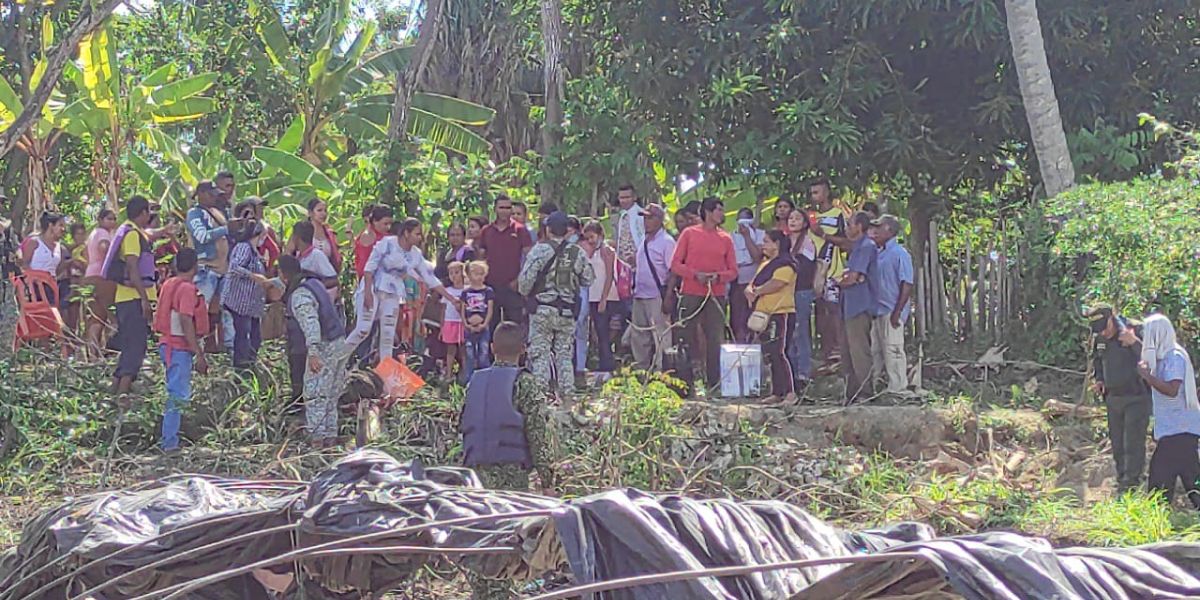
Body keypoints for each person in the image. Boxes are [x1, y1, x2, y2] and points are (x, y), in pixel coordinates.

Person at [460, 320, 553, 599]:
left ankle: (481, 593)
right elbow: (539, 433)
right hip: (511, 475)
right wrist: (548, 481)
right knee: (507, 540)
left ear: (491, 348)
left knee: (480, 535)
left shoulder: (474, 382)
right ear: (523, 350)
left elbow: (463, 426)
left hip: (474, 473)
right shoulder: (525, 383)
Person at [347, 218, 457, 363]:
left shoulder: (415, 254)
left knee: (387, 335)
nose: (420, 238)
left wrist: (452, 299)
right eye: (417, 234)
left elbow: (430, 279)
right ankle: (338, 358)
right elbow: (369, 269)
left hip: (392, 292)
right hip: (373, 288)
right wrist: (367, 293)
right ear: (406, 233)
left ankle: (385, 375)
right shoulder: (387, 244)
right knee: (363, 329)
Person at [1123, 314, 1200, 509]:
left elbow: (1172, 390)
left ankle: (1156, 516)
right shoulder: (1165, 356)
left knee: (1160, 479)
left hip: (1179, 429)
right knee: (1190, 478)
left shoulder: (1173, 356)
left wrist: (1147, 376)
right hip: (1177, 430)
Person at [518, 211, 593, 396]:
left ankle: (540, 396)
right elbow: (588, 279)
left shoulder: (539, 250)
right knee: (564, 354)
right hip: (567, 311)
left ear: (548, 229)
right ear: (567, 229)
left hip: (542, 310)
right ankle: (568, 398)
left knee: (540, 353)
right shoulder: (577, 253)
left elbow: (524, 284)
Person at [280, 255, 351, 448]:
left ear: (283, 276)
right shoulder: (315, 283)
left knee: (316, 394)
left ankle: (317, 443)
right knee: (331, 395)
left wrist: (313, 351)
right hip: (339, 342)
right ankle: (330, 438)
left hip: (324, 346)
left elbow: (311, 324)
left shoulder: (300, 295)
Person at [670, 197, 737, 394]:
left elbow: (733, 271)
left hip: (715, 293)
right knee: (685, 336)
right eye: (718, 210)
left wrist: (718, 277)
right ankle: (686, 383)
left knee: (715, 338)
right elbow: (675, 264)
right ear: (707, 212)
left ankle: (714, 384)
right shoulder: (689, 234)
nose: (722, 214)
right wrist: (694, 274)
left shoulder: (726, 238)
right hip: (690, 292)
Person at [1086, 305, 1151, 492]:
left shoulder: (1135, 330)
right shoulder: (1099, 337)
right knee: (1117, 442)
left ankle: (1132, 482)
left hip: (1136, 396)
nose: (1103, 333)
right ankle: (1122, 478)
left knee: (1133, 442)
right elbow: (1098, 360)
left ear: (1112, 318)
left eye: (1104, 327)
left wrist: (1135, 343)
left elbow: (1154, 360)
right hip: (1113, 398)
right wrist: (1099, 379)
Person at [152, 248, 209, 454]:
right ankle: (170, 443)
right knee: (177, 395)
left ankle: (171, 437)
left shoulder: (169, 284)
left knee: (175, 393)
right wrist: (198, 353)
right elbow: (185, 319)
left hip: (167, 345)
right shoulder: (186, 289)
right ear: (194, 266)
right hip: (178, 347)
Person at [102, 196, 157, 396]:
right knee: (136, 345)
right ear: (143, 213)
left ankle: (115, 387)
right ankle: (123, 391)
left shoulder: (130, 231)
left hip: (126, 299)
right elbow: (133, 266)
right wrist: (144, 298)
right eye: (148, 212)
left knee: (130, 344)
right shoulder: (132, 234)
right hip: (133, 299)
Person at [745, 230, 798, 404]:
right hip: (764, 314)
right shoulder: (765, 264)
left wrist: (758, 291)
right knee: (770, 353)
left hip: (781, 313)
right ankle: (777, 392)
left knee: (779, 352)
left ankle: (790, 392)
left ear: (777, 244)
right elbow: (754, 283)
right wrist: (750, 291)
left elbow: (777, 283)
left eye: (767, 242)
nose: (763, 245)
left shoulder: (786, 264)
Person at [187, 180, 234, 353]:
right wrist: (227, 229)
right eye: (211, 194)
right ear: (201, 194)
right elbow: (202, 236)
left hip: (222, 269)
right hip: (206, 268)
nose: (214, 197)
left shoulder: (217, 212)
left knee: (221, 311)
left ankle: (221, 346)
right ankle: (194, 347)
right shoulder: (194, 213)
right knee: (199, 308)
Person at [809, 178, 851, 372]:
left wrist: (823, 235)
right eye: (812, 193)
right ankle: (825, 351)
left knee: (834, 311)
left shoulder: (838, 214)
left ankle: (837, 350)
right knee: (820, 312)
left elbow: (846, 241)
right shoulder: (811, 216)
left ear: (826, 193)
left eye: (817, 192)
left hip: (833, 270)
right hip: (814, 272)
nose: (814, 196)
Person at [869, 215, 913, 394]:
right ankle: (875, 386)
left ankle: (898, 387)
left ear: (889, 230)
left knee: (893, 350)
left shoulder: (900, 253)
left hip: (891, 309)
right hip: (877, 310)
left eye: (879, 227)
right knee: (875, 351)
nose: (876, 231)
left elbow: (907, 283)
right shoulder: (879, 253)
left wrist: (898, 311)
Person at [476, 195, 534, 327]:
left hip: (512, 286)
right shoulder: (486, 231)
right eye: (501, 207)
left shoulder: (520, 230)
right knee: (491, 326)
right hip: (490, 286)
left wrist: (519, 280)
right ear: (495, 209)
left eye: (508, 208)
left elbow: (529, 259)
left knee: (514, 327)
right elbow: (481, 258)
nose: (505, 211)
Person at [840, 211, 879, 402]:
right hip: (850, 305)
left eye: (849, 224)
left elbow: (853, 277)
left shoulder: (866, 246)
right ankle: (851, 393)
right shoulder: (856, 247)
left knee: (859, 350)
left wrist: (839, 281)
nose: (846, 228)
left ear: (859, 226)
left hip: (860, 305)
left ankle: (865, 392)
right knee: (847, 351)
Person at [630, 204, 674, 371]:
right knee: (639, 335)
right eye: (644, 218)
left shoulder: (667, 242)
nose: (646, 222)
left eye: (650, 218)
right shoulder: (644, 240)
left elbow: (673, 272)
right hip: (640, 294)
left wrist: (668, 296)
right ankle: (641, 369)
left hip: (657, 295)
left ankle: (662, 372)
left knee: (661, 335)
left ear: (659, 220)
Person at [222, 220, 270, 369]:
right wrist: (253, 276)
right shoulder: (244, 248)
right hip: (239, 302)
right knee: (243, 336)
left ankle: (249, 365)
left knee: (255, 337)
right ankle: (241, 369)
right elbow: (234, 267)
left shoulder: (255, 251)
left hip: (251, 305)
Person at [582, 220, 620, 375]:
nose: (590, 240)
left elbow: (610, 275)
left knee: (603, 331)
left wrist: (604, 298)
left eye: (592, 237)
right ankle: (601, 360)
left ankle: (607, 363)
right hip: (592, 295)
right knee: (596, 331)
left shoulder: (606, 250)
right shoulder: (592, 250)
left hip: (604, 296)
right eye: (587, 238)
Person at [786, 210, 818, 386]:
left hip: (802, 291)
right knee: (789, 331)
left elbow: (806, 268)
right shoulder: (784, 242)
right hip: (786, 292)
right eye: (791, 218)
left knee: (801, 331)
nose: (793, 221)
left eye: (797, 218)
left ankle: (804, 371)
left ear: (805, 223)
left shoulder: (807, 242)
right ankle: (790, 370)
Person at [83, 209, 119, 358]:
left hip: (90, 274)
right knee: (110, 313)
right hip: (102, 276)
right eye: (108, 219)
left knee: (96, 317)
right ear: (100, 219)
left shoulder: (92, 234)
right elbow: (104, 247)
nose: (112, 222)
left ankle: (93, 353)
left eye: (113, 219)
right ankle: (111, 349)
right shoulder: (104, 234)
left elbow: (86, 253)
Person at [730, 207, 765, 343]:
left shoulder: (761, 235)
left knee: (756, 316)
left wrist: (747, 237)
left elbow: (757, 257)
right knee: (738, 316)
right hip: (738, 279)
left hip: (757, 278)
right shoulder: (730, 236)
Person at [20, 211, 66, 299]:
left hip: (52, 286)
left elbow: (58, 270)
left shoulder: (60, 248)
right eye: (60, 225)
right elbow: (24, 265)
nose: (63, 229)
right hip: (35, 287)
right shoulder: (35, 242)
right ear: (50, 225)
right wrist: (36, 278)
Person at [461, 261, 495, 376]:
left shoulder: (488, 291)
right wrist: (466, 324)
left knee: (483, 354)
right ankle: (469, 381)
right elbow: (462, 310)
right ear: (469, 275)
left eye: (482, 274)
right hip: (469, 328)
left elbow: (490, 309)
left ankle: (486, 377)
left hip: (483, 327)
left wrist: (484, 324)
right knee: (470, 354)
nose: (479, 277)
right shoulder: (466, 292)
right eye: (476, 274)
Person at [441, 261, 468, 382]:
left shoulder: (467, 291)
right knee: (450, 348)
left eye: (456, 272)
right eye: (451, 273)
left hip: (462, 323)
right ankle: (449, 373)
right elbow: (443, 309)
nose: (454, 275)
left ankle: (466, 372)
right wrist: (442, 326)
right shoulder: (447, 291)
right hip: (450, 322)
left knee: (464, 348)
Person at [612, 184, 646, 272]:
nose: (624, 201)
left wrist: (637, 256)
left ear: (634, 197)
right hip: (624, 266)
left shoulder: (641, 215)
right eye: (621, 198)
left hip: (638, 264)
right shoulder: (622, 216)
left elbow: (645, 239)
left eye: (627, 197)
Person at [353, 205, 391, 280]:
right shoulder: (368, 235)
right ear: (374, 221)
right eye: (385, 224)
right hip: (371, 280)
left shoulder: (384, 235)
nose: (388, 227)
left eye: (390, 224)